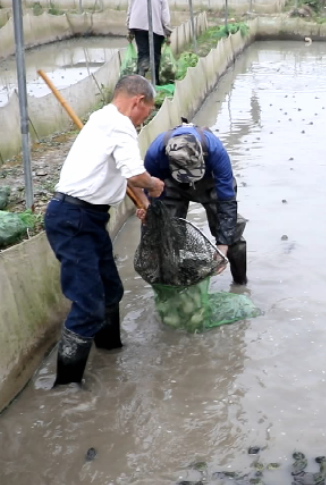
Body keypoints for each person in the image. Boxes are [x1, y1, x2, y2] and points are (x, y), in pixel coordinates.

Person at [45, 75, 166, 387]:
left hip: (88, 218)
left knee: (111, 291)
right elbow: (135, 173)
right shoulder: (120, 124)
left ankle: (110, 352)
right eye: (147, 112)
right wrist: (154, 185)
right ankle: (67, 387)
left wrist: (142, 202)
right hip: (74, 219)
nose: (144, 119)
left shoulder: (103, 118)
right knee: (88, 306)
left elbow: (118, 175)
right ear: (138, 101)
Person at [142, 119, 248, 286]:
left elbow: (227, 201)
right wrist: (150, 238)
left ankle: (241, 284)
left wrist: (223, 245)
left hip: (210, 182)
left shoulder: (215, 150)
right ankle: (173, 286)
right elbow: (150, 200)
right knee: (166, 237)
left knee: (232, 234)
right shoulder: (155, 154)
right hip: (171, 185)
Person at [126, 0, 172, 81]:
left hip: (138, 25)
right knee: (155, 55)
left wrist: (129, 27)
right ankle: (155, 81)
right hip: (155, 26)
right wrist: (167, 31)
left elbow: (130, 8)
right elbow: (164, 14)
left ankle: (140, 81)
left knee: (143, 54)